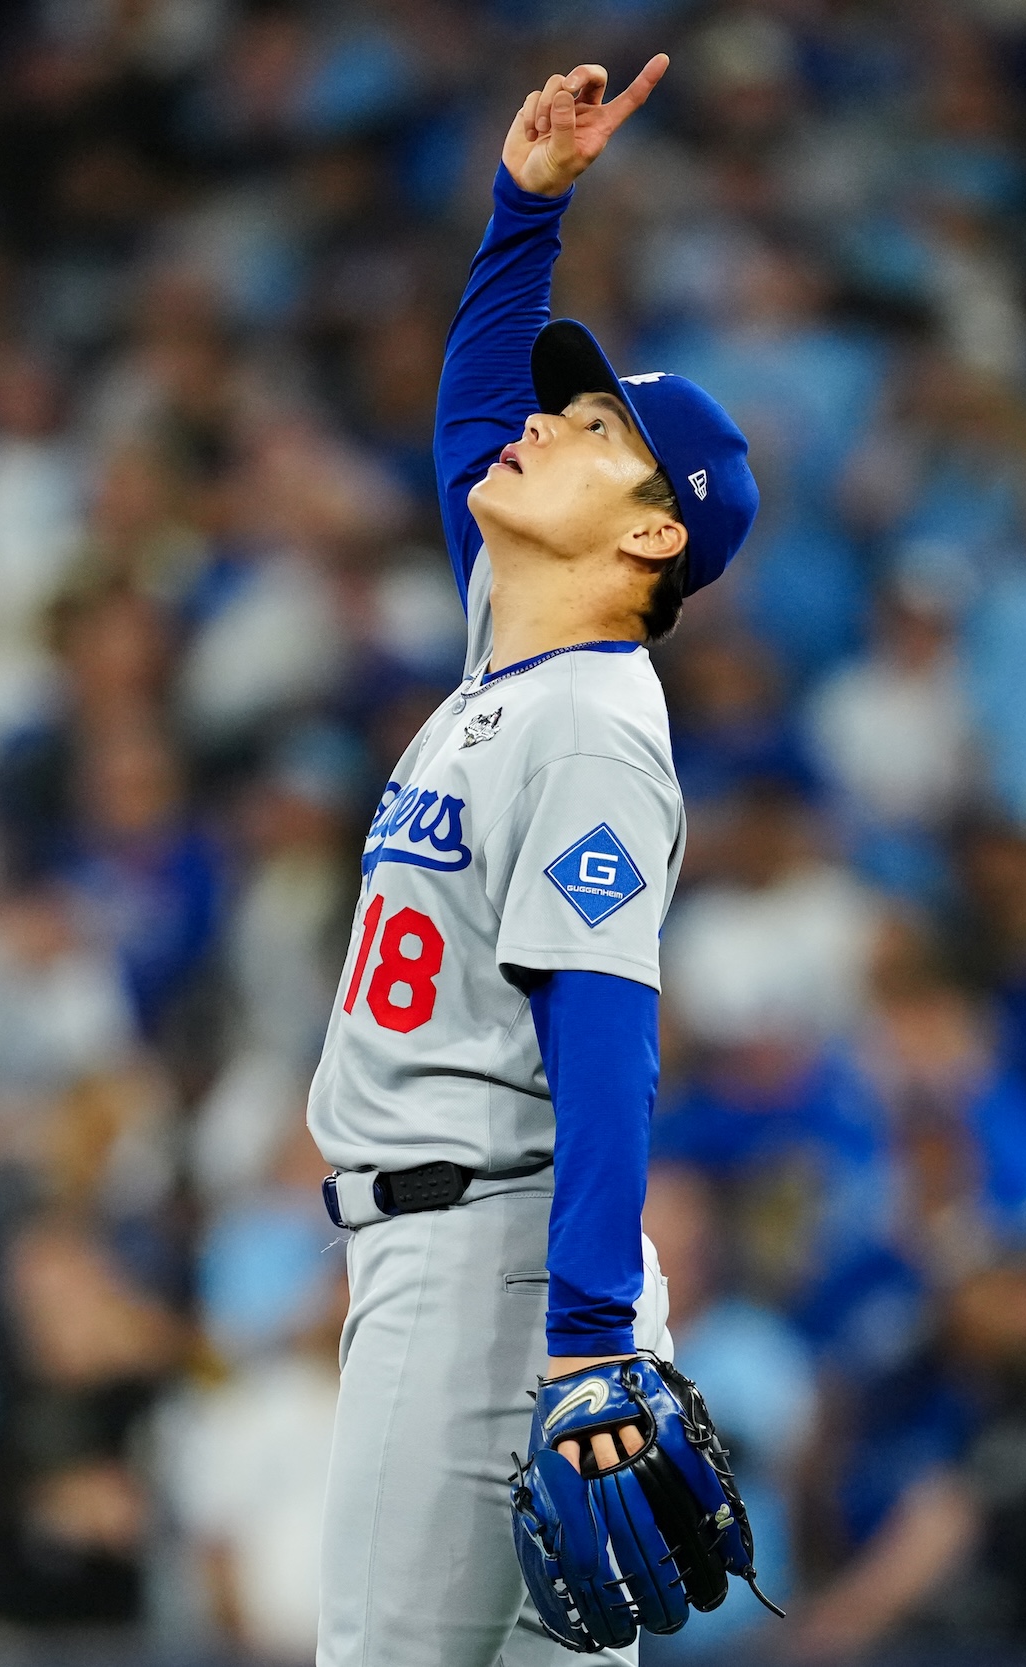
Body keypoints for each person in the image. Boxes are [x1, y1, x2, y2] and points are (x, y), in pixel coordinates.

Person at [305, 56, 762, 1667]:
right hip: (499, 1261)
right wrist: (525, 212)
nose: (535, 427)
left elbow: (606, 1031)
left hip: (487, 1270)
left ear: (650, 534)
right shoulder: (517, 661)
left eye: (587, 431)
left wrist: (580, 1336)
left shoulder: (584, 724)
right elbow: (466, 422)